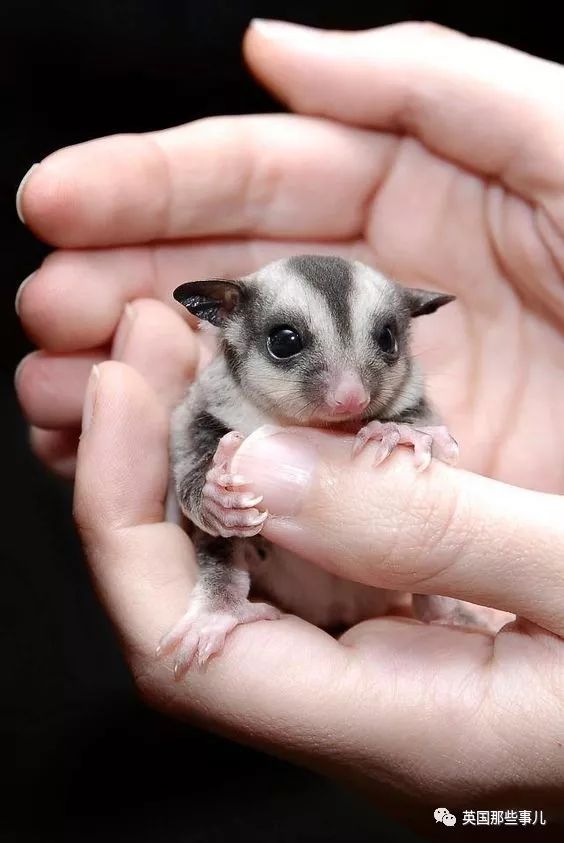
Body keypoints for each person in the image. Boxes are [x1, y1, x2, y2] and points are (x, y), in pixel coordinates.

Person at [14, 20, 564, 827]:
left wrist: (418, 439)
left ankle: (439, 606)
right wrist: (210, 501)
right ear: (225, 323)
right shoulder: (217, 395)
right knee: (198, 517)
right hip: (278, 588)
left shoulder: (398, 392)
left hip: (384, 606)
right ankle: (221, 600)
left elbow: (419, 423)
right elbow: (195, 477)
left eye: (382, 342)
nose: (349, 391)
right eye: (288, 343)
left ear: (408, 328)